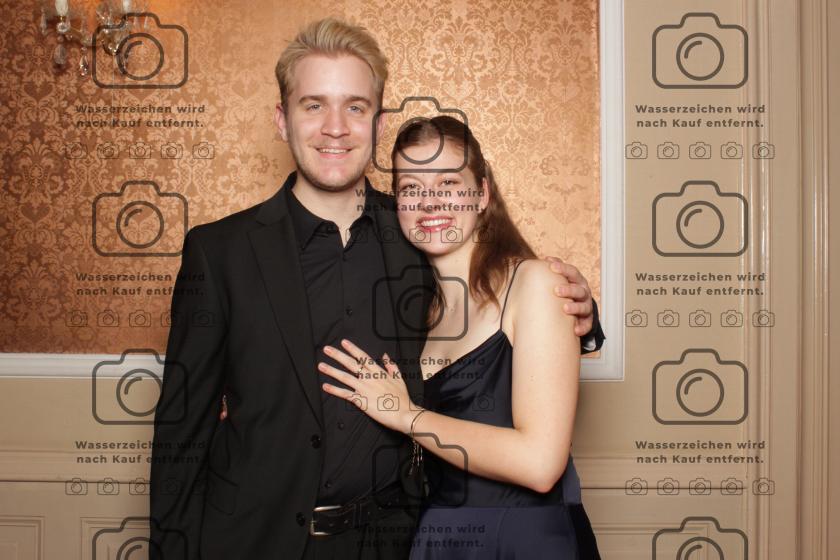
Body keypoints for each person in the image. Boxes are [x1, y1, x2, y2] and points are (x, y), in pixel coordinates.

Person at [149, 18, 604, 560]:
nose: (335, 128)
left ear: (378, 123)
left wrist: (580, 311)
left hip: (392, 541)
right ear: (282, 119)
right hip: (254, 541)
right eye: (313, 105)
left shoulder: (419, 233)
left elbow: (494, 297)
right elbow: (181, 434)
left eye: (355, 107)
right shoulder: (220, 252)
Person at [317, 116, 601, 559]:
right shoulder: (417, 308)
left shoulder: (535, 284)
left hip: (523, 540)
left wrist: (407, 416)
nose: (430, 202)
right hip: (438, 537)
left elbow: (541, 464)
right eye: (411, 188)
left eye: (448, 183)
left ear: (483, 193)